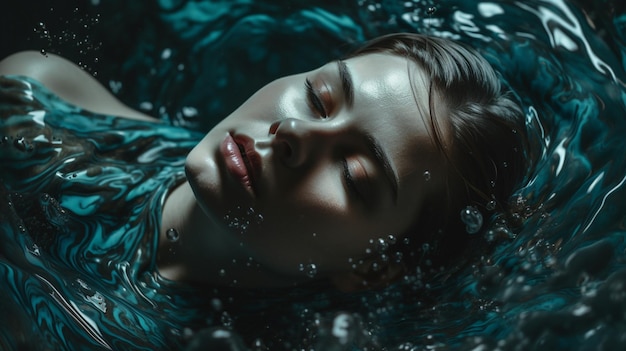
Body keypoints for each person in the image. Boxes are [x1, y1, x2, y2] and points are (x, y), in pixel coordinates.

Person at [0, 33, 527, 297]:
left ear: (372, 267)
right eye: (319, 97)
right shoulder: (35, 103)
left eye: (353, 175)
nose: (295, 132)